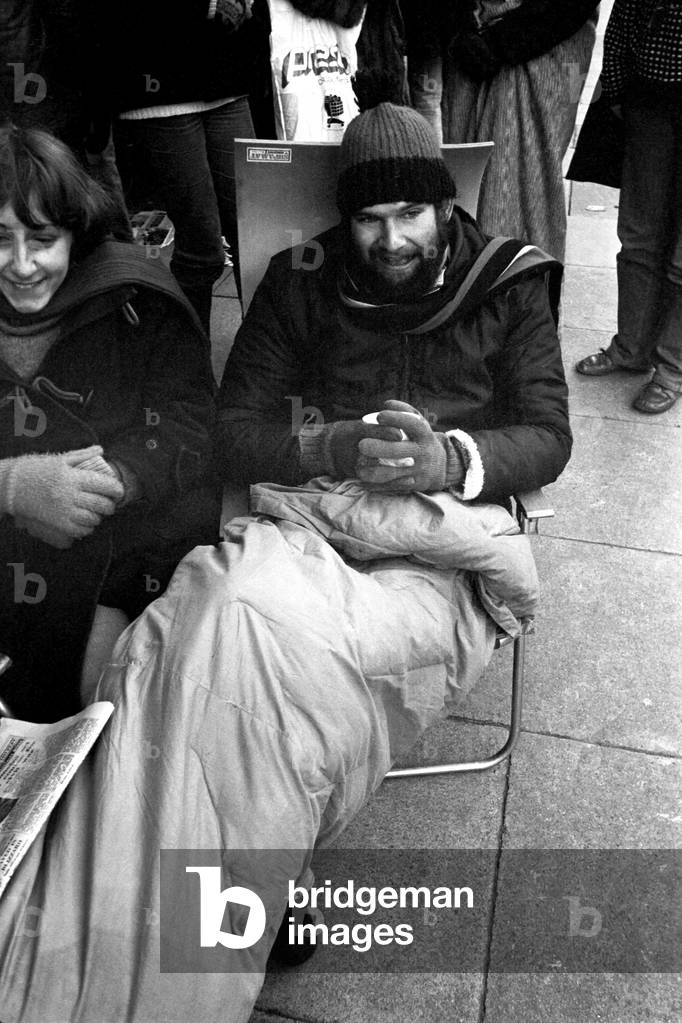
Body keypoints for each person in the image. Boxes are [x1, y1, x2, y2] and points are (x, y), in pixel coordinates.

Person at [216, 101, 572, 503]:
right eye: (369, 219)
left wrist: (450, 459)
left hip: (457, 507)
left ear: (445, 208)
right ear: (347, 220)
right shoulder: (297, 282)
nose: (392, 241)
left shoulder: (508, 283)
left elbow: (549, 434)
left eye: (410, 214)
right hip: (320, 502)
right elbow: (232, 429)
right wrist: (329, 446)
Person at [0, 125, 220, 722]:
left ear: (75, 232)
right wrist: (16, 484)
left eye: (41, 239)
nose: (20, 265)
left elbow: (193, 423)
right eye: (0, 240)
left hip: (122, 549)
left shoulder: (138, 301)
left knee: (116, 698)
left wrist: (118, 477)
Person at [100, 0, 272, 335]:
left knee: (256, 238)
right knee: (202, 248)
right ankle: (189, 373)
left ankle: (259, 363)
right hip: (161, 88)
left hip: (227, 80)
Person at [575, 0, 682, 415]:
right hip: (648, 101)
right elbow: (620, 21)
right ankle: (631, 347)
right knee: (638, 236)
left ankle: (672, 369)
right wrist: (617, 87)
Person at [441, 0, 599, 271]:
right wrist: (459, 28)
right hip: (471, 40)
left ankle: (517, 296)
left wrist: (500, 42)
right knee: (467, 178)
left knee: (526, 183)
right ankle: (471, 286)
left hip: (544, 47)